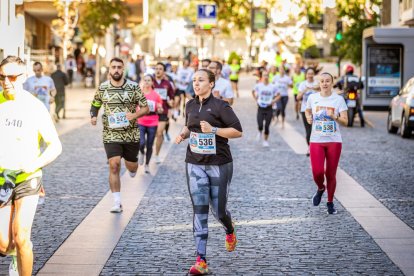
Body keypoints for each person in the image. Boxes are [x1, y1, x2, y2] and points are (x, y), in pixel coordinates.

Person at [175, 69, 242, 275]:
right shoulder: (190, 104)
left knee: (218, 210)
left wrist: (213, 130)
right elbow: (190, 126)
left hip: (219, 163)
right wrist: (184, 134)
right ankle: (201, 259)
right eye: (194, 80)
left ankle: (229, 229)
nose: (196, 84)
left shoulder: (221, 106)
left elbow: (238, 131)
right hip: (194, 162)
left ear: (211, 84)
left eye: (201, 80)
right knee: (200, 208)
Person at [0, 55, 62, 276]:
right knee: (4, 244)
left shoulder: (34, 107)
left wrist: (33, 164)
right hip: (2, 180)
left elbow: (55, 146)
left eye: (12, 77)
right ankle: (15, 256)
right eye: (2, 77)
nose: (6, 82)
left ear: (23, 77)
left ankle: (23, 256)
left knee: (21, 236)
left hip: (28, 177)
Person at [90, 57, 149, 213]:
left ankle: (133, 166)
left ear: (124, 70)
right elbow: (95, 104)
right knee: (114, 165)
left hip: (131, 135)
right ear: (109, 69)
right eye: (113, 67)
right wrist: (93, 116)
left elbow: (145, 108)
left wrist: (134, 115)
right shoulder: (103, 88)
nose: (116, 70)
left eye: (119, 67)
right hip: (110, 134)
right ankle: (117, 202)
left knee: (132, 167)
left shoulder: (133, 87)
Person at [305, 72, 348, 215]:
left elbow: (346, 121)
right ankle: (320, 188)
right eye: (322, 81)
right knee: (317, 172)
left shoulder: (338, 99)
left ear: (332, 82)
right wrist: (309, 118)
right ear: (319, 83)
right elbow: (307, 110)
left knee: (331, 173)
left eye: (327, 81)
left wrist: (334, 117)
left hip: (334, 141)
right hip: (316, 140)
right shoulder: (312, 97)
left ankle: (330, 202)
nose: (324, 83)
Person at [137, 75, 163, 173]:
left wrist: (160, 109)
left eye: (149, 80)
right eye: (145, 80)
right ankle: (141, 152)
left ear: (152, 82)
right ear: (142, 82)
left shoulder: (156, 95)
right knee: (141, 142)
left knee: (149, 145)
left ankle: (147, 164)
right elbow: (134, 106)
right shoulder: (139, 94)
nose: (147, 82)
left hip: (153, 122)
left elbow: (160, 107)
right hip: (141, 121)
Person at [153, 62, 175, 164]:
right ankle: (147, 151)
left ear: (164, 71)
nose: (158, 70)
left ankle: (156, 155)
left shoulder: (168, 83)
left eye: (160, 69)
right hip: (150, 112)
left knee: (159, 132)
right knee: (150, 134)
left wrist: (171, 104)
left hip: (163, 111)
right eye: (156, 68)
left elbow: (171, 97)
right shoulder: (150, 81)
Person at [252, 71, 280, 147]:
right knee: (260, 124)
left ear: (269, 77)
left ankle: (265, 140)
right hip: (260, 108)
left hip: (269, 108)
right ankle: (260, 132)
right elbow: (253, 91)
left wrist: (273, 101)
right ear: (262, 77)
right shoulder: (258, 85)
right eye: (264, 75)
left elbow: (278, 95)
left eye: (267, 75)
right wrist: (256, 99)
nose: (266, 77)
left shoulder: (273, 86)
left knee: (267, 126)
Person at [297, 68, 320, 156]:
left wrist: (316, 88)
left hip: (316, 111)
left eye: (312, 73)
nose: (310, 75)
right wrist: (304, 90)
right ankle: (310, 147)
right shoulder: (303, 84)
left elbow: (323, 92)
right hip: (305, 110)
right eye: (308, 74)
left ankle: (315, 148)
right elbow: (298, 98)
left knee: (315, 130)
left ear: (314, 74)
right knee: (308, 131)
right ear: (306, 75)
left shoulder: (317, 83)